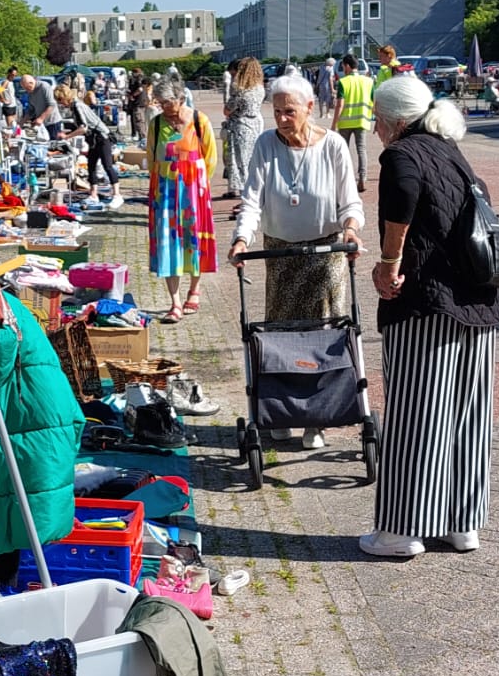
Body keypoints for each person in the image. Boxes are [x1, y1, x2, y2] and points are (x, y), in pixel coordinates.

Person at [361, 73, 499, 560]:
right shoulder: (449, 147)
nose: (375, 131)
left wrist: (388, 265)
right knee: (468, 414)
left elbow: (401, 202)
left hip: (429, 300)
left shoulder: (403, 153)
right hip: (478, 296)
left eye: (378, 122)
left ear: (394, 120)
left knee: (416, 413)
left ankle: (402, 530)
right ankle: (461, 524)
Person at [229, 71, 364, 451]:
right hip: (281, 251)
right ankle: (283, 411)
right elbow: (252, 199)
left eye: (289, 111)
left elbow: (349, 201)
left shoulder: (334, 145)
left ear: (309, 107)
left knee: (323, 331)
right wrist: (242, 238)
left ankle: (316, 418)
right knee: (282, 333)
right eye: (276, 111)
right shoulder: (266, 145)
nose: (282, 119)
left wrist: (351, 229)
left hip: (326, 252)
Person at [148, 78, 217, 322]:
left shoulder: (199, 121)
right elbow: (151, 158)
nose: (164, 107)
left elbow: (210, 157)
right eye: (160, 102)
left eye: (168, 102)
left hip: (194, 193)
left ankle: (194, 290)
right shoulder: (156, 124)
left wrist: (198, 187)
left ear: (181, 98)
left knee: (193, 241)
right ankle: (175, 303)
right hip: (165, 192)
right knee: (168, 245)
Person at [55, 84, 124, 208]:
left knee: (107, 165)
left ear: (65, 97)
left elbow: (83, 127)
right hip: (93, 140)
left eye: (60, 100)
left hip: (102, 137)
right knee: (91, 165)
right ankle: (93, 194)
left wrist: (67, 136)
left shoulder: (77, 106)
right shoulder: (75, 106)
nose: (60, 103)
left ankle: (117, 195)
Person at [222, 55, 266, 200]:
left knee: (240, 163)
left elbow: (227, 109)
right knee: (251, 162)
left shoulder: (241, 90)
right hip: (254, 124)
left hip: (240, 127)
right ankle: (251, 196)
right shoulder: (259, 88)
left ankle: (245, 199)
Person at [334, 54, 376, 193]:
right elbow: (373, 102)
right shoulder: (368, 82)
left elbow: (340, 104)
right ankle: (363, 178)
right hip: (362, 120)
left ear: (347, 66)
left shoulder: (343, 82)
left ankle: (344, 179)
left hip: (345, 122)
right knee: (361, 149)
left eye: (343, 66)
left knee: (343, 151)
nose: (342, 69)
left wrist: (334, 124)